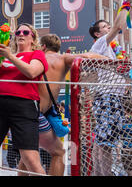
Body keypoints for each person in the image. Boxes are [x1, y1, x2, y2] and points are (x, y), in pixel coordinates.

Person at [16, 34, 104, 176]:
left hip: (24, 110)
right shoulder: (61, 59)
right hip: (34, 112)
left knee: (29, 153)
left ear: (43, 46)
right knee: (59, 152)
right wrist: (112, 62)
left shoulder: (33, 59)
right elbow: (88, 56)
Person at [88, 0, 132, 176]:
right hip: (108, 96)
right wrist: (128, 3)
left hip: (113, 97)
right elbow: (118, 26)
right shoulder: (100, 44)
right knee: (105, 142)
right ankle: (104, 174)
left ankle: (99, 173)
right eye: (104, 27)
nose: (109, 28)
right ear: (98, 34)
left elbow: (118, 27)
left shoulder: (113, 48)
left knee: (103, 140)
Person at [0, 23, 48, 176]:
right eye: (17, 32)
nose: (21, 34)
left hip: (24, 106)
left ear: (33, 38)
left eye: (25, 32)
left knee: (30, 158)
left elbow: (31, 72)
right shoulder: (3, 56)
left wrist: (10, 56)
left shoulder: (36, 55)